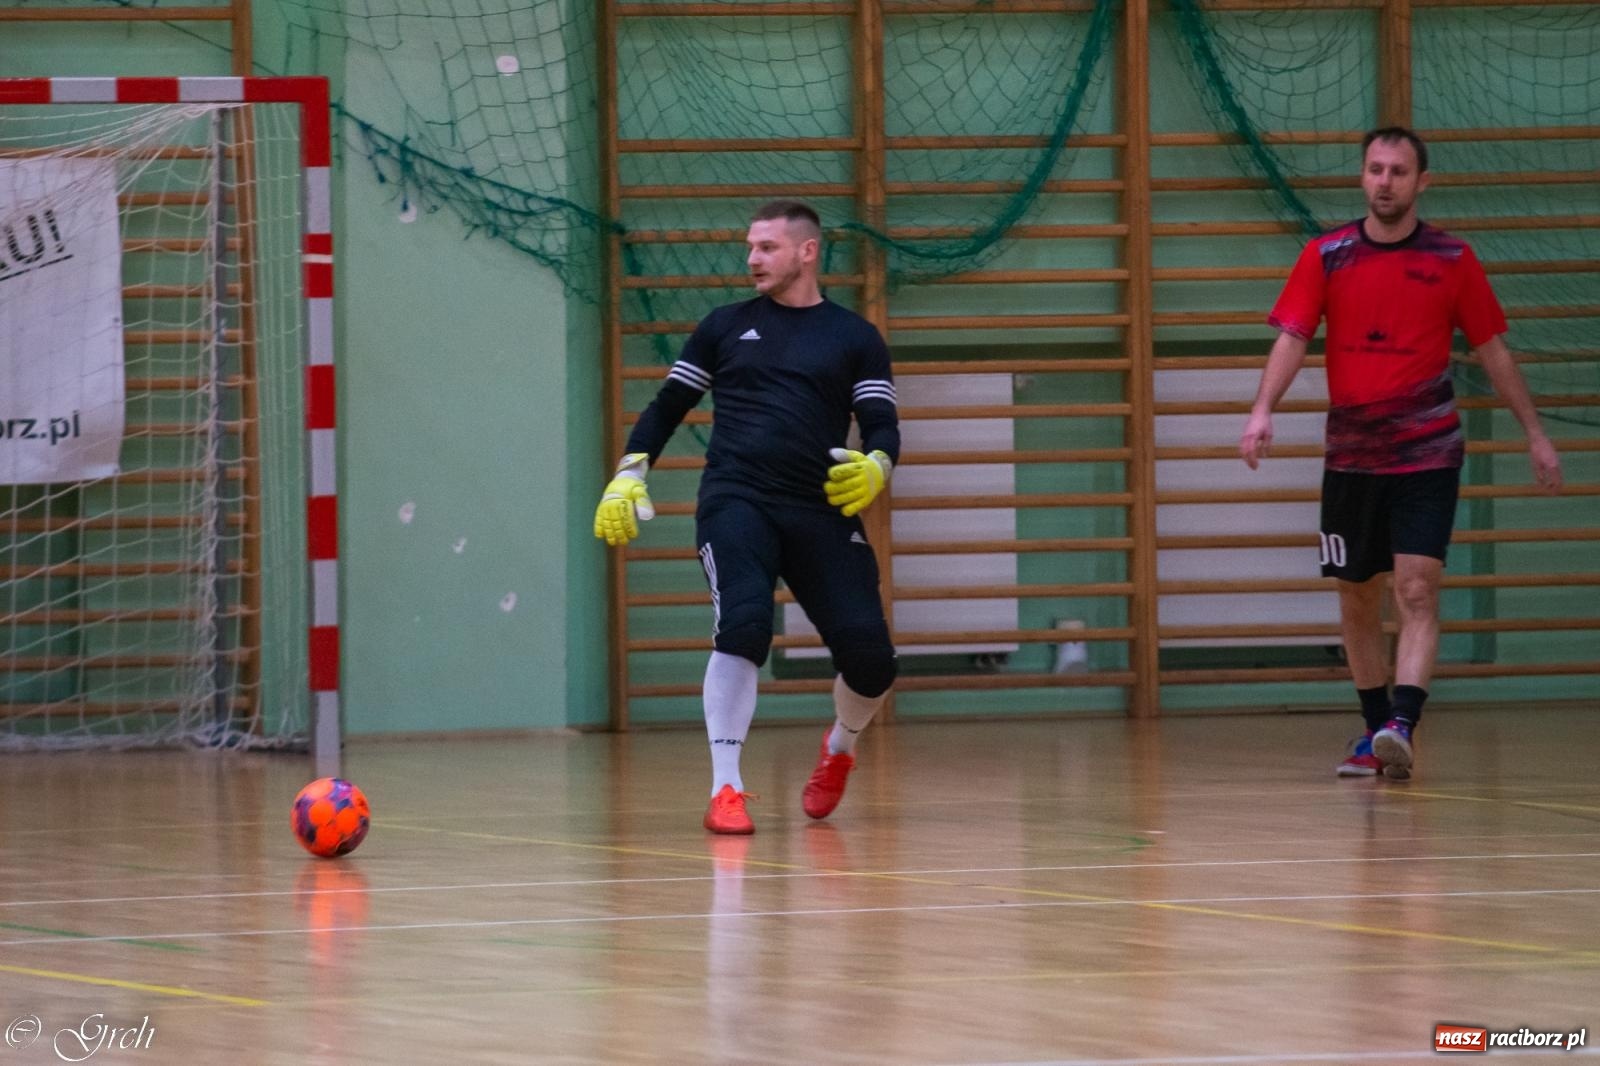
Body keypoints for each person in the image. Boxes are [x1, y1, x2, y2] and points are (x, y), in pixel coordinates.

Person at [1240, 126, 1563, 780]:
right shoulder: (1326, 255)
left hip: (1427, 453)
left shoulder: (1452, 259)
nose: (1384, 181)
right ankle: (1373, 731)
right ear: (1363, 176)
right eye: (1375, 169)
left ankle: (1402, 724)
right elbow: (1293, 336)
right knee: (1357, 596)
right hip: (1352, 458)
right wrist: (1262, 407)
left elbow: (1492, 348)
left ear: (1422, 182)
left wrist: (1534, 431)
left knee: (1417, 588)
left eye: (1398, 171)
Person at [594, 200, 900, 833]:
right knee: (744, 627)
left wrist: (878, 464)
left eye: (767, 247)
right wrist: (629, 472)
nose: (753, 259)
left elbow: (882, 423)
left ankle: (840, 747)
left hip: (818, 511)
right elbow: (667, 406)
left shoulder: (855, 337)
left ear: (807, 252)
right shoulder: (725, 326)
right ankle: (726, 788)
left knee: (873, 663)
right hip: (737, 501)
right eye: (750, 247)